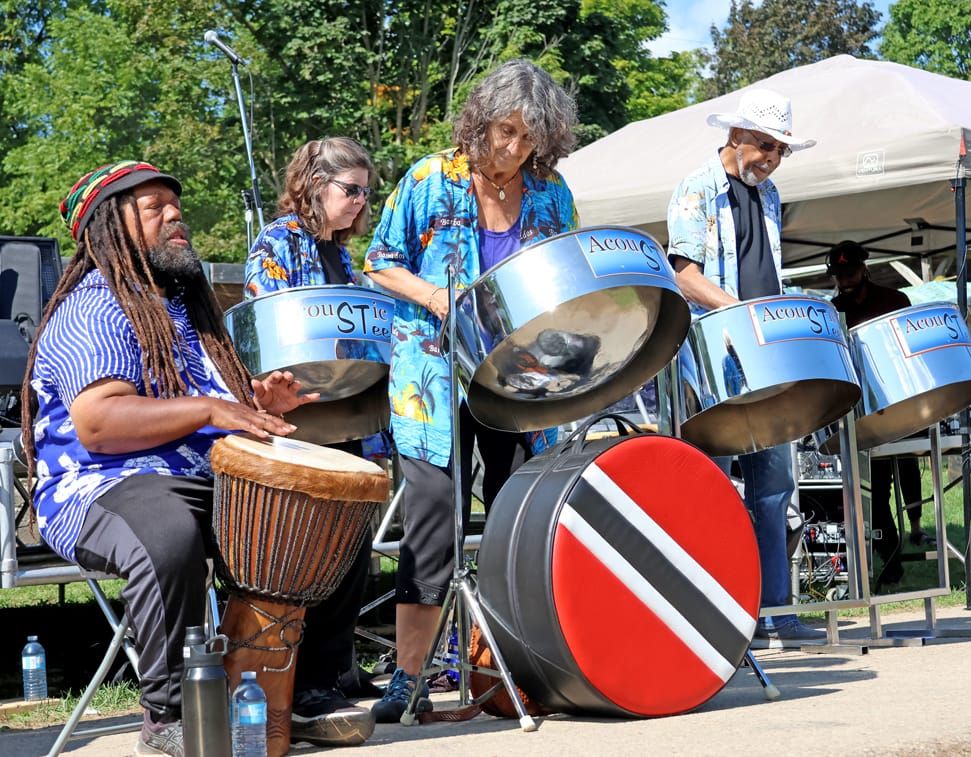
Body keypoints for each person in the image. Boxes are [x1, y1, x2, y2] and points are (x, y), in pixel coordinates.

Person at [20, 161, 316, 756]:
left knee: (313, 516)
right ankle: (170, 716)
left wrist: (252, 401)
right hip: (100, 485)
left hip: (200, 478)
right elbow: (101, 424)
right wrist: (210, 409)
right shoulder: (96, 307)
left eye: (174, 205)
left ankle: (302, 695)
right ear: (110, 229)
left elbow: (189, 404)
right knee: (167, 536)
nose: (175, 215)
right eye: (153, 207)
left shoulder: (187, 310)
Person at [364, 58, 578, 722]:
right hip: (430, 370)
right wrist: (435, 294)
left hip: (516, 375)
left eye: (528, 138)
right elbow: (379, 259)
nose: (512, 149)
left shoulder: (551, 192)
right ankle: (409, 677)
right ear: (480, 121)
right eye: (503, 132)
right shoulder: (432, 177)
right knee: (434, 516)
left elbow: (566, 276)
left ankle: (518, 661)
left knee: (523, 512)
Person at [666, 89, 825, 646]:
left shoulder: (771, 194)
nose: (771, 159)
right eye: (764, 146)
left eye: (780, 150)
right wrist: (736, 310)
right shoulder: (696, 187)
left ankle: (776, 613)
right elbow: (683, 273)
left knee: (775, 487)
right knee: (716, 486)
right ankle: (717, 618)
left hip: (766, 355)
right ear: (735, 137)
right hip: (717, 353)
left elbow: (769, 272)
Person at [243, 136, 380, 744]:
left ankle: (333, 672)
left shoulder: (344, 259)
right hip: (294, 418)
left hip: (340, 413)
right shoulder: (276, 244)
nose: (359, 203)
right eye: (349, 191)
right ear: (313, 185)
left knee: (352, 550)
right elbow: (267, 323)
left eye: (365, 194)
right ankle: (300, 684)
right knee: (309, 553)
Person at [828, 240, 932, 585]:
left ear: (864, 269)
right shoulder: (833, 311)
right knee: (876, 489)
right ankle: (890, 557)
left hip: (901, 400)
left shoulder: (894, 301)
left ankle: (916, 527)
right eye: (839, 275)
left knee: (908, 464)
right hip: (868, 411)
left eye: (850, 272)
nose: (845, 280)